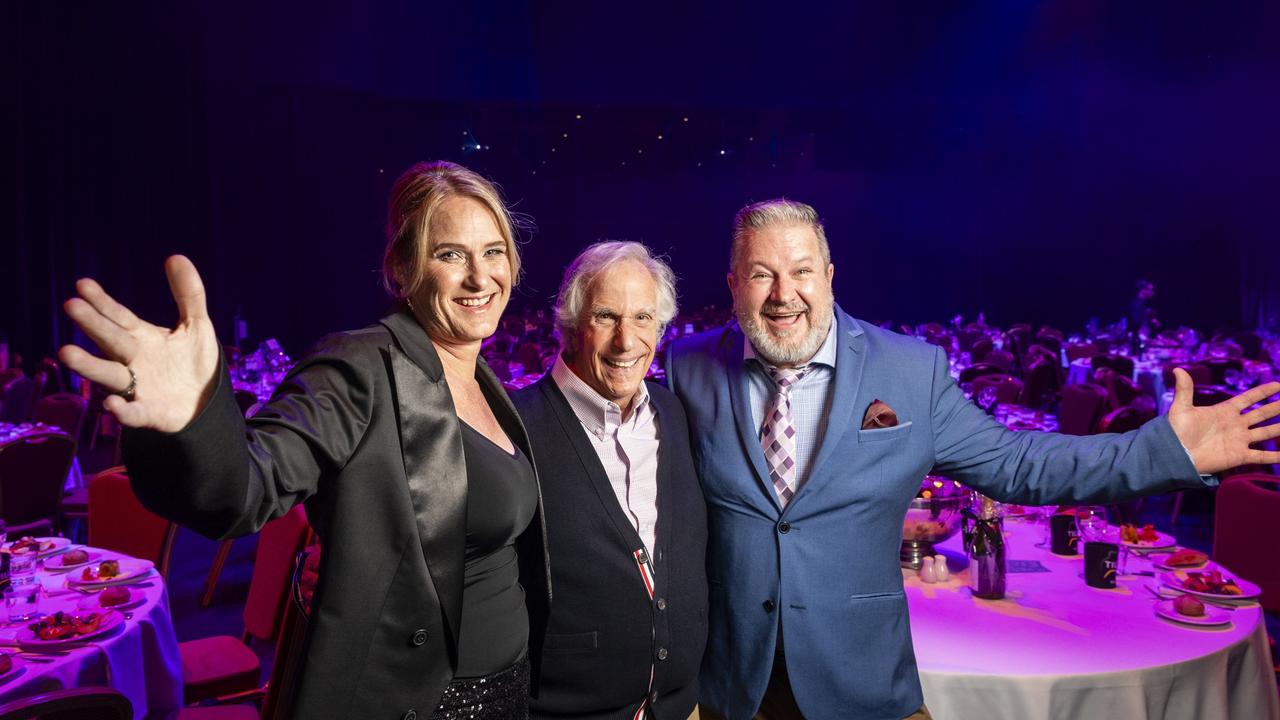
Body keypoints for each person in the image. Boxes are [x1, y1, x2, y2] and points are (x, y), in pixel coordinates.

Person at [665, 199, 1280, 720]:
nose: (784, 295)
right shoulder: (687, 367)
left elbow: (1020, 463)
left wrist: (1165, 450)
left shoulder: (909, 369)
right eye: (761, 274)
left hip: (862, 686)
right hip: (730, 686)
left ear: (829, 275)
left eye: (801, 271)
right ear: (732, 285)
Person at [59, 161, 552, 719]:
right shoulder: (360, 367)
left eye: (493, 251)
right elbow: (246, 487)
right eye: (450, 254)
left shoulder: (490, 383)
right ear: (402, 269)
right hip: (423, 703)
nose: (480, 277)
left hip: (509, 693)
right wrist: (191, 417)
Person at [510, 242, 707, 720]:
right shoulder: (515, 427)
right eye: (606, 316)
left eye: (643, 318)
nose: (627, 341)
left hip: (679, 709)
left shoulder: (673, 413)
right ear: (572, 325)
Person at [1128, 279, 1158, 354]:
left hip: (1140, 337)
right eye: (1151, 290)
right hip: (1137, 339)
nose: (1153, 293)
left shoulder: (1141, 302)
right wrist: (1150, 320)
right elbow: (1136, 322)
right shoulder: (1138, 303)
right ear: (1142, 290)